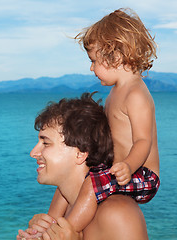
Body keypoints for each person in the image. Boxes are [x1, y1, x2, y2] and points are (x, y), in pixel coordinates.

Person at [19, 8, 160, 239]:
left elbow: (143, 141)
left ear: (115, 56)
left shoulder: (135, 94)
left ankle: (67, 230)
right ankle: (50, 227)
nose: (91, 68)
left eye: (94, 61)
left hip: (142, 173)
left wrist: (128, 166)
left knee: (92, 184)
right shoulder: (115, 93)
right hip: (120, 169)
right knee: (73, 187)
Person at [17, 93, 149, 240]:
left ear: (80, 154)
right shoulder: (64, 209)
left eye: (46, 143)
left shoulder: (118, 213)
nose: (33, 153)